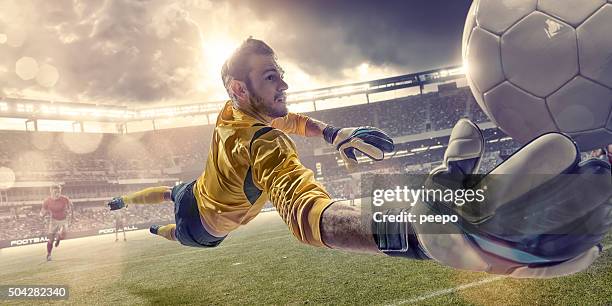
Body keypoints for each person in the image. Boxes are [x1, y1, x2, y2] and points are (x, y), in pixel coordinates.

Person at [107, 38, 611, 278]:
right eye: (270, 77)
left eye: (280, 72)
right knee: (177, 225)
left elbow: (289, 118)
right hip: (204, 226)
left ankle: (147, 220)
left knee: (170, 197)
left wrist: (334, 131)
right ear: (240, 88)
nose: (283, 82)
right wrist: (415, 232)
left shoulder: (236, 108)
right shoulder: (261, 145)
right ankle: (151, 224)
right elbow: (308, 212)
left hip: (196, 193)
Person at [40, 184, 73, 261]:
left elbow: (70, 207)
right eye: (55, 192)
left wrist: (71, 217)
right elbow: (43, 211)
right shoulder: (47, 201)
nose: (57, 193)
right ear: (51, 192)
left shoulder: (65, 199)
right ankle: (49, 254)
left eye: (59, 192)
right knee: (51, 239)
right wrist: (41, 215)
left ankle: (59, 238)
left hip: (64, 220)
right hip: (53, 220)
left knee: (63, 235)